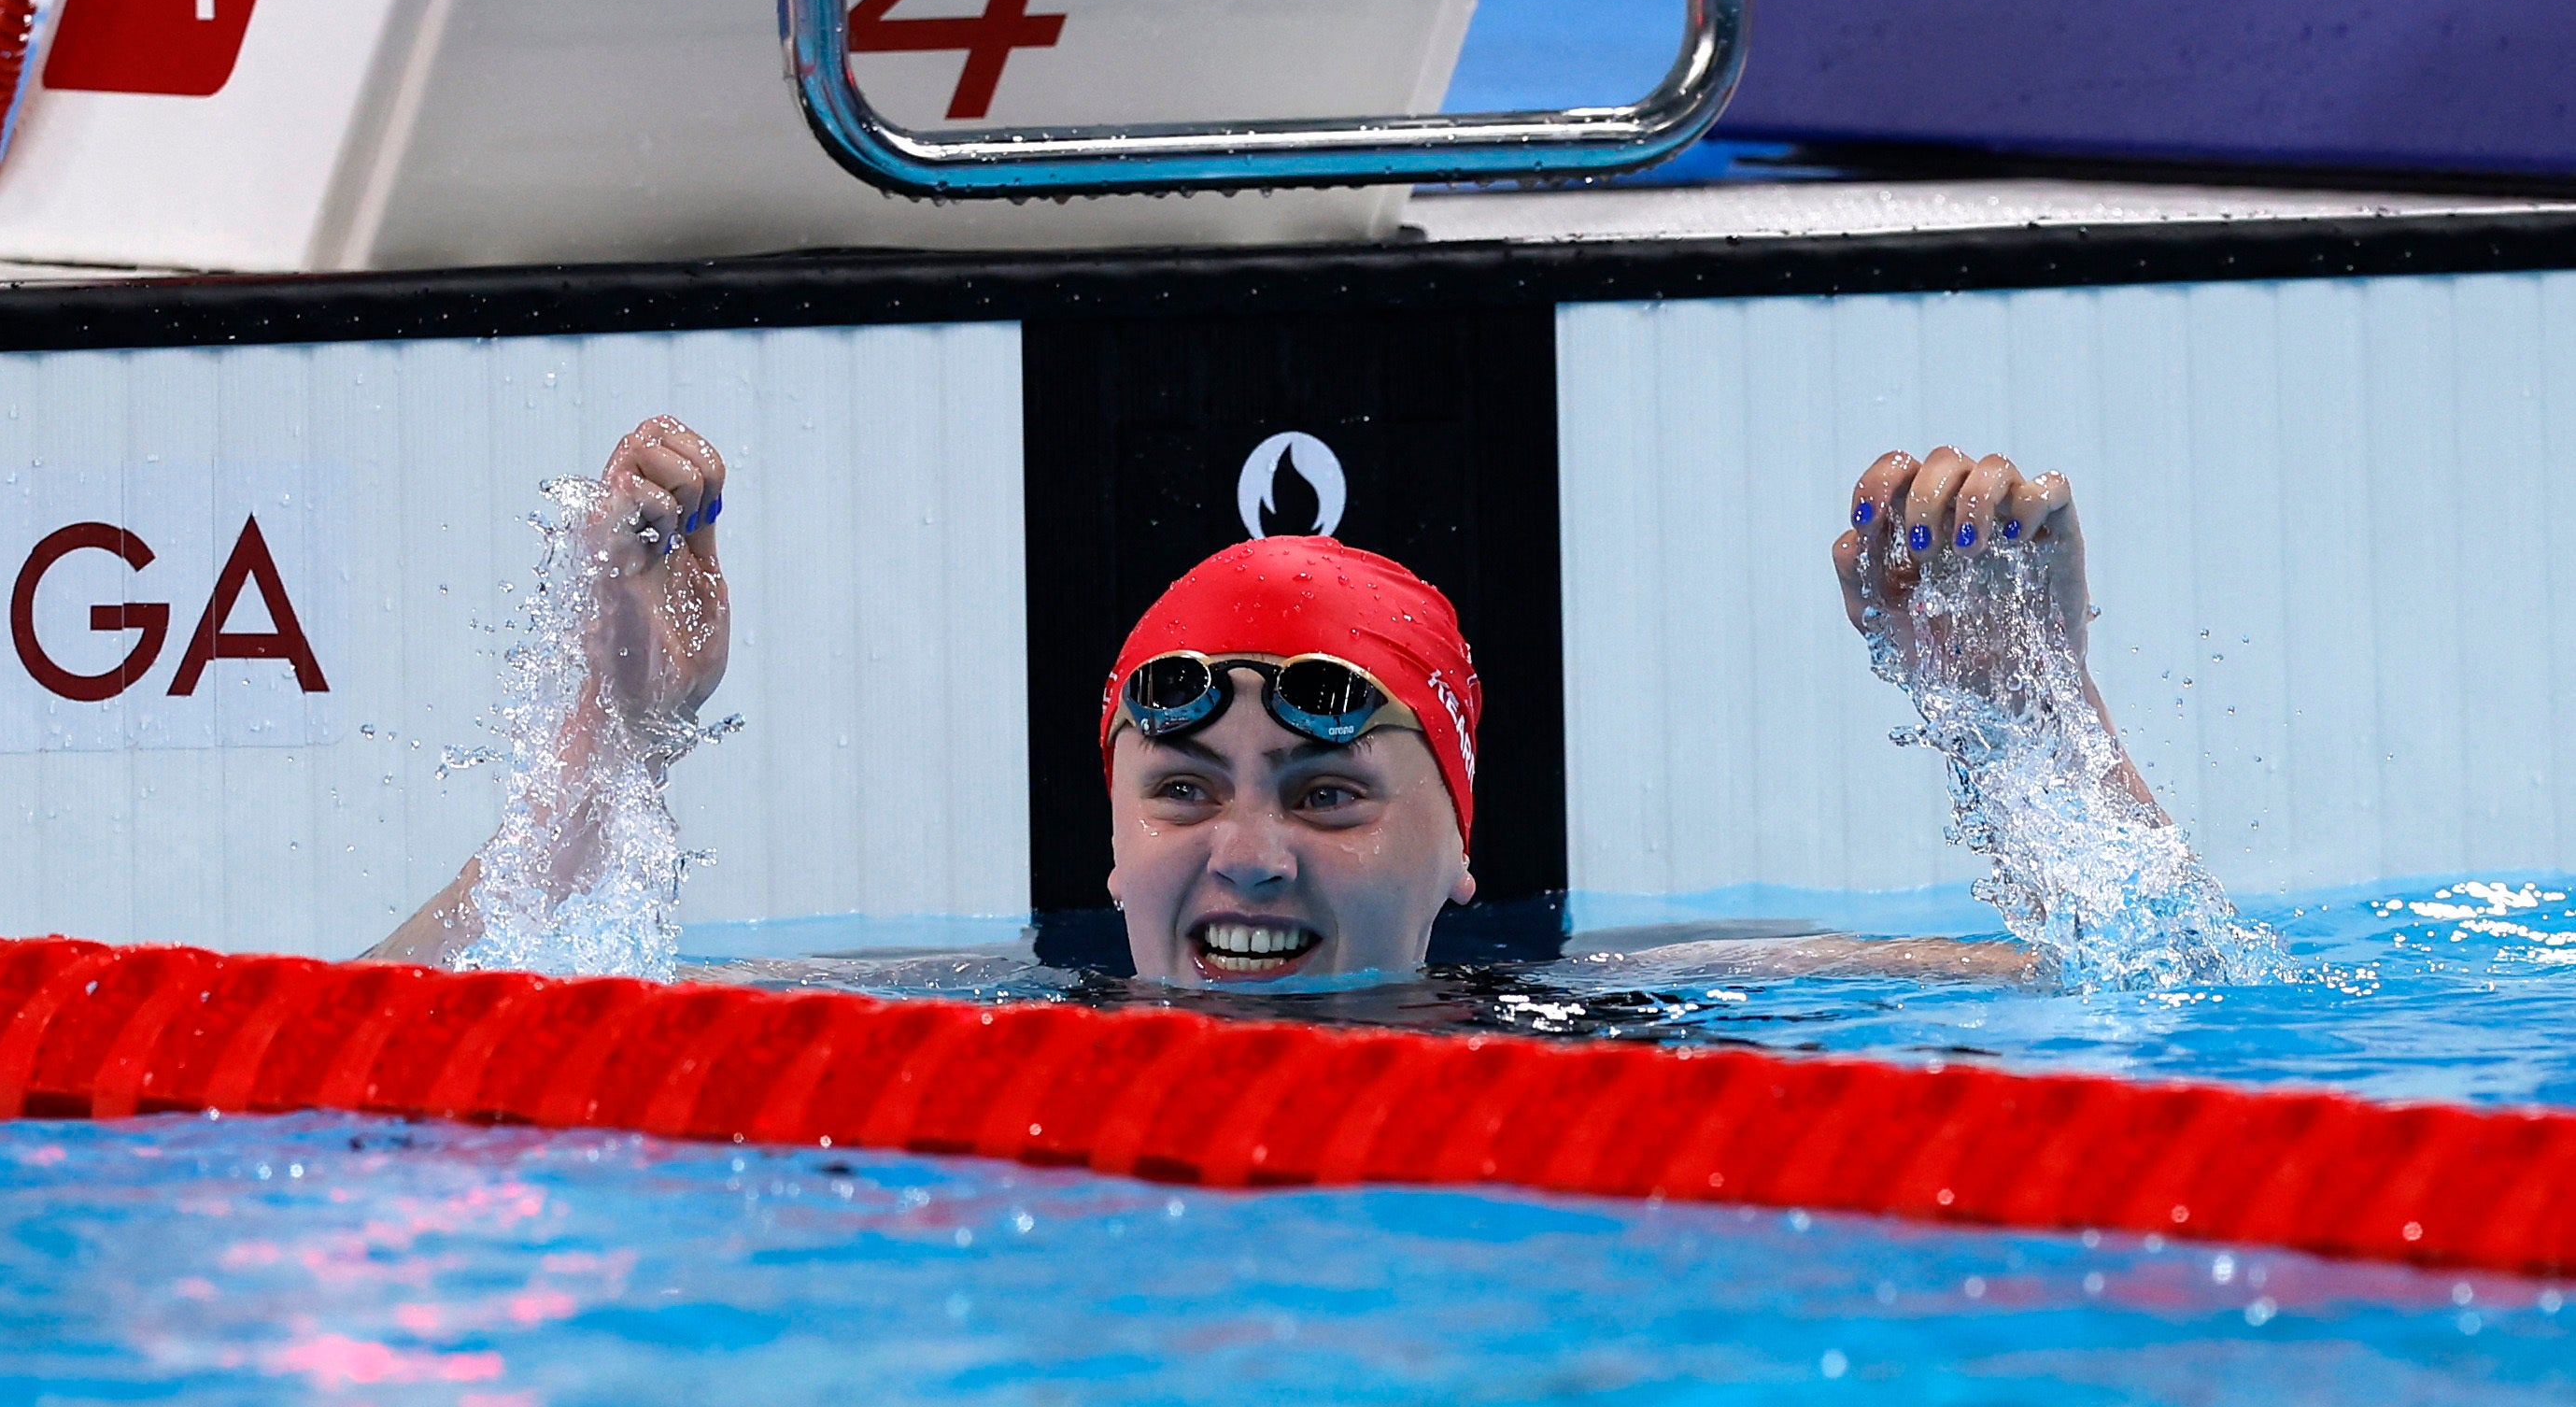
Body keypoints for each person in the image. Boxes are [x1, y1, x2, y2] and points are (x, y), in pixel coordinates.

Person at [378, 421, 2135, 983]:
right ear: (1114, 838)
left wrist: (2032, 735)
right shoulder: (969, 1033)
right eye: (1184, 789)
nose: (1249, 856)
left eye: (1328, 791)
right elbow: (414, 1022)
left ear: (1465, 846)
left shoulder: (1617, 1022)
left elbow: (2134, 990)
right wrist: (616, 746)